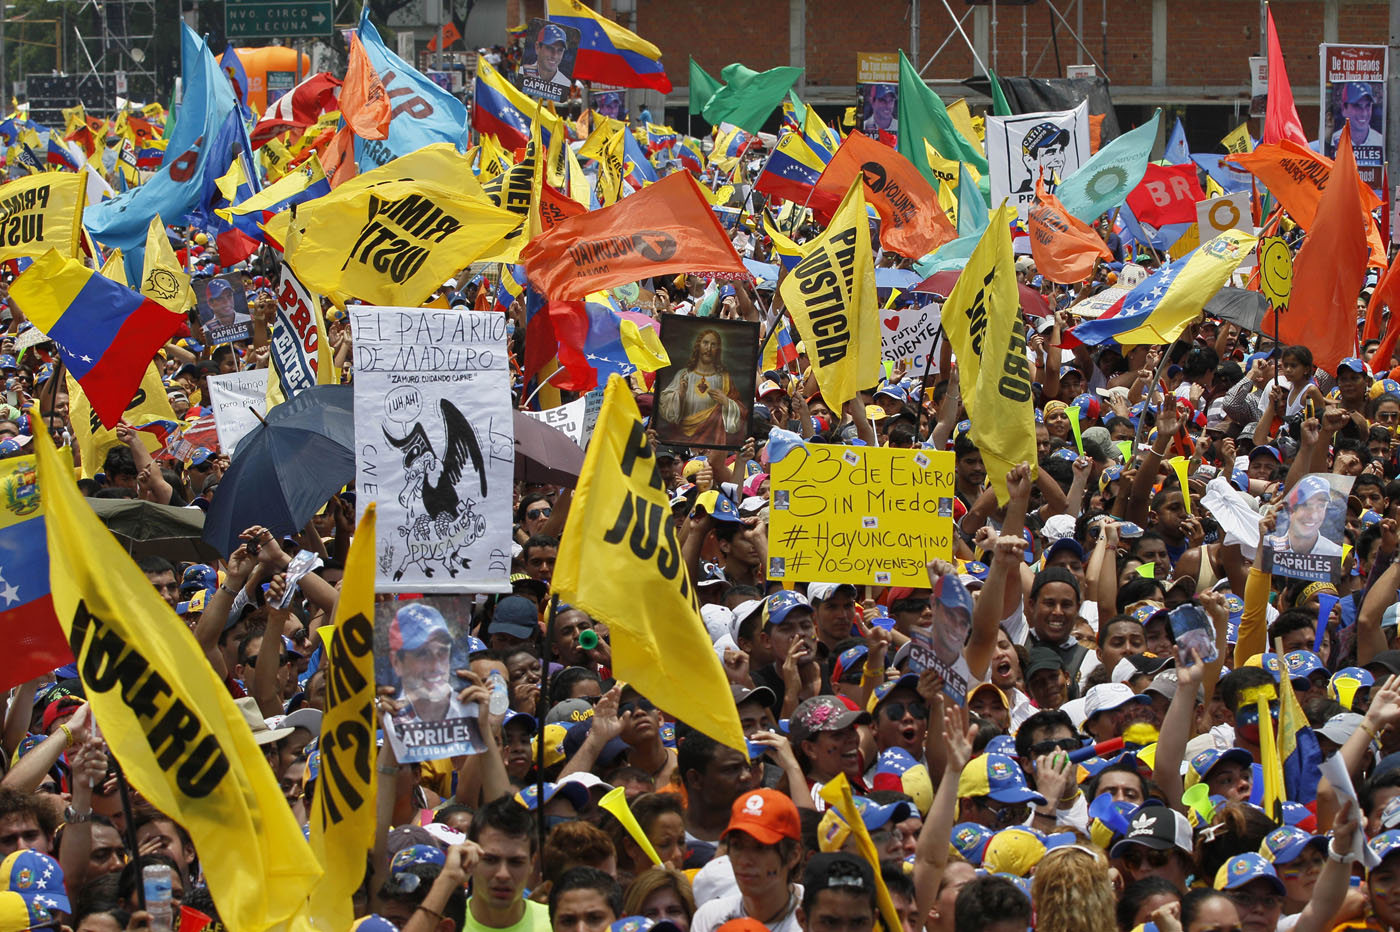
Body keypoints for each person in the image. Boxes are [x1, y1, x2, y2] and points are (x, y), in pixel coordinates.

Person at [689, 789, 803, 932]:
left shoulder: (814, 923)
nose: (744, 860)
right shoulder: (709, 918)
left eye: (760, 847)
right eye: (737, 846)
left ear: (793, 855)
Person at [657, 329, 746, 447]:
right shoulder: (684, 375)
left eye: (713, 345)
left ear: (718, 350)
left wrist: (726, 402)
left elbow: (742, 412)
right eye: (705, 343)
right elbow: (664, 407)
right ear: (698, 346)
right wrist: (680, 395)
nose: (708, 348)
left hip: (712, 441)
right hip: (682, 439)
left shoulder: (724, 378)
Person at [388, 603, 469, 723]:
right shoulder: (386, 721)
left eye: (442, 652)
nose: (436, 666)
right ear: (396, 663)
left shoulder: (471, 714)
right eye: (423, 654)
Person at [1331, 81, 1384, 154]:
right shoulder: (1333, 141)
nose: (1364, 113)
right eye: (1357, 106)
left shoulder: (1381, 142)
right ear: (1344, 109)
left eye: (1367, 106)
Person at [524, 23, 571, 88]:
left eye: (560, 50)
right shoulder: (523, 74)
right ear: (537, 47)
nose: (555, 55)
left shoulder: (566, 84)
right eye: (549, 48)